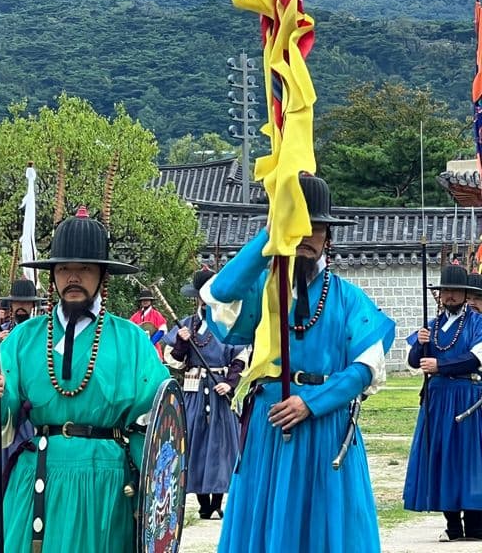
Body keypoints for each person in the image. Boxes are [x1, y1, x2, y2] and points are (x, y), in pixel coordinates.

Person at [206, 174, 395, 553]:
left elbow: (365, 368)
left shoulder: (349, 299)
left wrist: (313, 401)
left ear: (329, 236)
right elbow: (221, 292)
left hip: (325, 429)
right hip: (268, 427)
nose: (307, 236)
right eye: (298, 226)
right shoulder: (263, 291)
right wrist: (270, 234)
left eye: (316, 228)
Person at [0, 207, 169, 551]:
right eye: (64, 269)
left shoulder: (131, 340)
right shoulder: (24, 337)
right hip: (38, 475)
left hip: (106, 481)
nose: (73, 277)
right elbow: (0, 416)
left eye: (84, 269)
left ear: (102, 276)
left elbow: (154, 421)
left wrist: (147, 492)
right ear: (53, 276)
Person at [403, 265, 482, 541]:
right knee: (442, 456)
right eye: (445, 291)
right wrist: (419, 344)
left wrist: (440, 365)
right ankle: (452, 527)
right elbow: (414, 362)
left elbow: (475, 358)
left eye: (454, 291)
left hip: (466, 398)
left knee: (468, 459)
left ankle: (474, 526)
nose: (449, 296)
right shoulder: (432, 327)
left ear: (464, 294)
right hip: (437, 400)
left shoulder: (477, 322)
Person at [163, 268, 248, 520]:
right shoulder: (187, 325)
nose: (205, 301)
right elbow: (176, 361)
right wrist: (181, 341)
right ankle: (202, 501)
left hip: (220, 390)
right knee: (195, 442)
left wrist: (230, 384)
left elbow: (241, 357)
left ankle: (218, 500)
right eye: (201, 296)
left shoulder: (228, 324)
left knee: (221, 445)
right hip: (194, 392)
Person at [0, 278, 44, 497]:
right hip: (8, 407)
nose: (22, 308)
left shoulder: (43, 332)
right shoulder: (3, 332)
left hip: (32, 408)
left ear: (33, 305)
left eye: (26, 304)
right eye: (18, 303)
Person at [129, 289, 167, 360]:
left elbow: (162, 330)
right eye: (143, 300)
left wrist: (150, 343)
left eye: (147, 299)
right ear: (141, 302)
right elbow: (130, 329)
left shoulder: (156, 314)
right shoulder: (135, 316)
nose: (145, 301)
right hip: (138, 348)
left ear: (151, 301)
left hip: (153, 347)